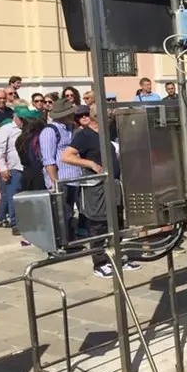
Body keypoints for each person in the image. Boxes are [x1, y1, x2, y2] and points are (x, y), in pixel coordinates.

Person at [61, 105, 140, 278]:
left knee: (117, 221)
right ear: (97, 117)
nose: (111, 117)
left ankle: (117, 257)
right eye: (108, 115)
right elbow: (66, 156)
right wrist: (90, 164)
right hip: (96, 187)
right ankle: (99, 262)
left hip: (113, 185)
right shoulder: (84, 135)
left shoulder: (106, 133)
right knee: (98, 224)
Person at [41, 98, 83, 238]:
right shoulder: (50, 131)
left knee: (69, 212)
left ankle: (69, 239)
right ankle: (62, 242)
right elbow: (48, 160)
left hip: (73, 178)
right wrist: (55, 182)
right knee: (61, 214)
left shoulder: (70, 128)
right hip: (61, 179)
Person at [0, 107, 29, 232]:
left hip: (26, 167)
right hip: (14, 167)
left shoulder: (26, 128)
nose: (23, 121)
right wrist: (3, 168)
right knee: (12, 195)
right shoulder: (7, 129)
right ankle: (15, 223)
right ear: (15, 116)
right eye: (21, 119)